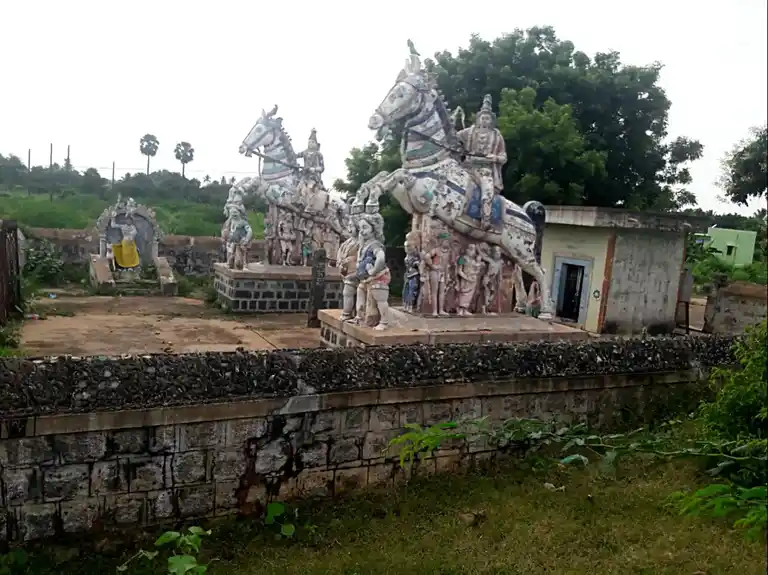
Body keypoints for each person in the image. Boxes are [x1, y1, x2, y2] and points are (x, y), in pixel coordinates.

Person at [456, 94, 507, 230]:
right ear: (478, 119)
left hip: (485, 171)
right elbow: (454, 137)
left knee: (488, 193)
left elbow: (503, 157)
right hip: (467, 168)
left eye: (487, 118)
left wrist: (494, 158)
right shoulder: (469, 132)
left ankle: (485, 220)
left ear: (491, 120)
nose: (485, 120)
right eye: (482, 118)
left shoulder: (497, 136)